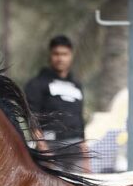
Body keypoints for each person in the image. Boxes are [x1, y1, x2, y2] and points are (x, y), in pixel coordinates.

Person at [25, 35, 90, 172]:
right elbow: (31, 117)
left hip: (76, 146)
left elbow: (79, 117)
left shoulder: (76, 85)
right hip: (51, 146)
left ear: (71, 56)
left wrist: (84, 150)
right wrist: (42, 146)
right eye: (56, 54)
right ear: (50, 55)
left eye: (65, 54)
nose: (60, 58)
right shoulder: (37, 83)